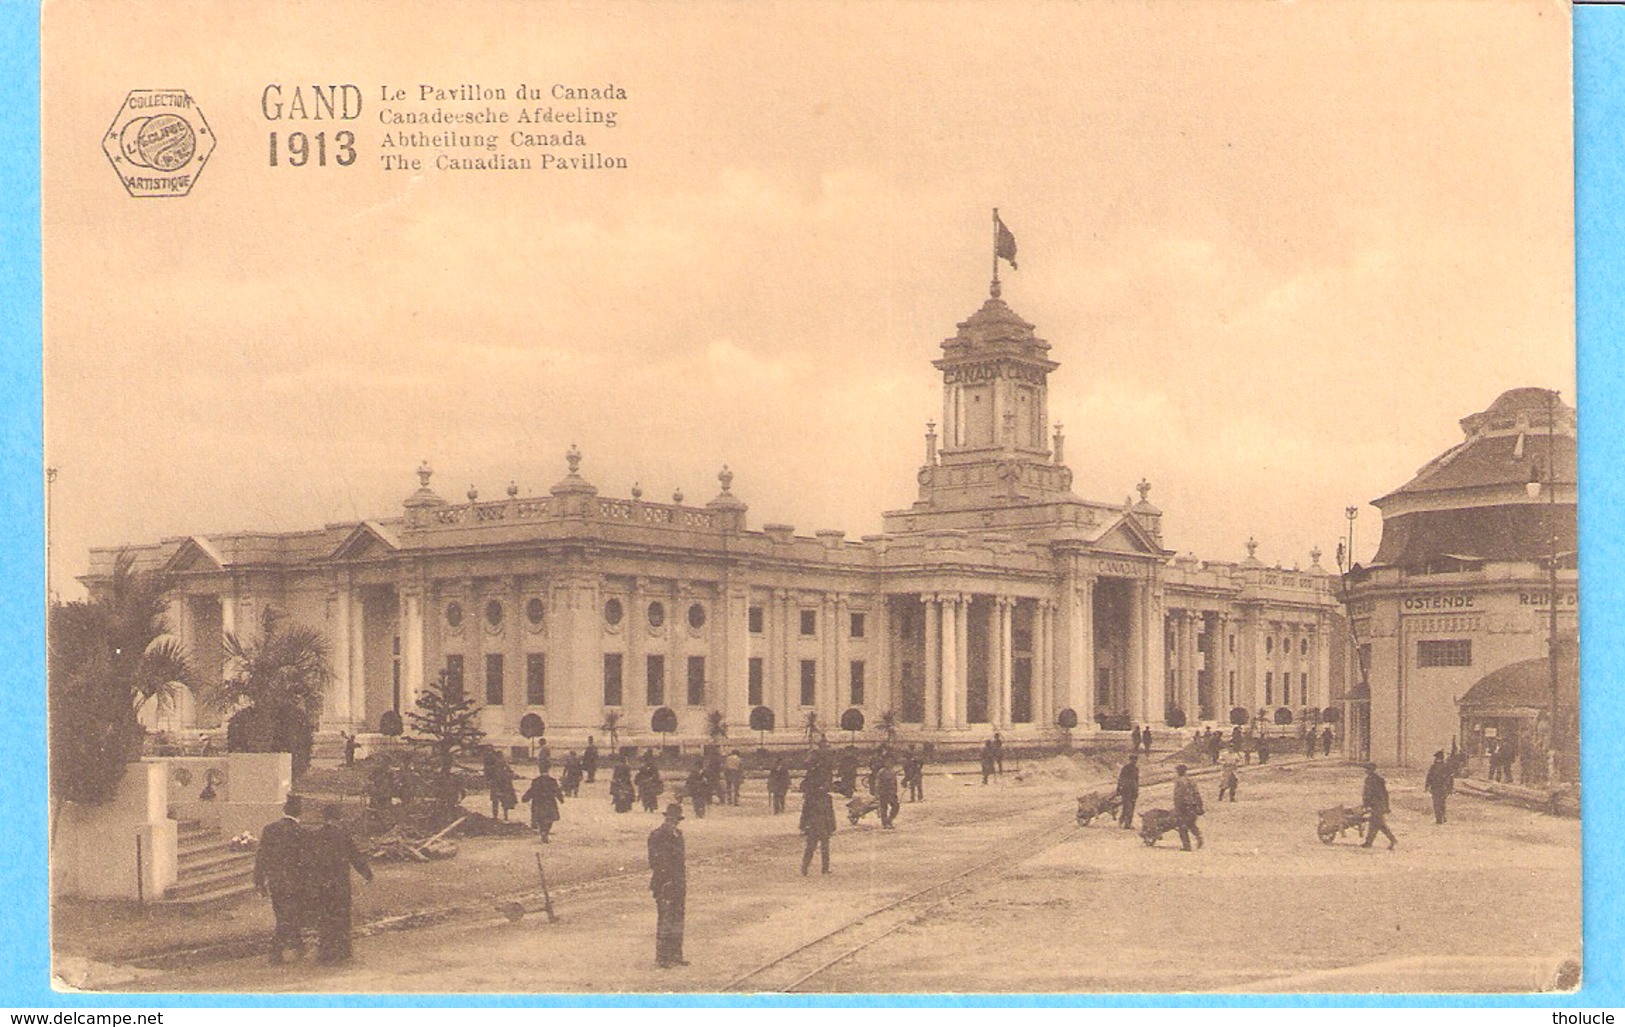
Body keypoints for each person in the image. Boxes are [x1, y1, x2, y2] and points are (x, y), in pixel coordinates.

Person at [304, 803, 373, 964]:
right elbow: (355, 856)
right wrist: (367, 873)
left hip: (322, 884)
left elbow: (310, 861)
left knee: (325, 918)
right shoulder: (343, 835)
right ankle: (342, 952)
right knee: (342, 917)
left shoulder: (316, 836)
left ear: (324, 817)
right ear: (338, 818)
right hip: (340, 884)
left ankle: (326, 953)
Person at [253, 794, 308, 964]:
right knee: (290, 915)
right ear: (300, 812)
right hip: (295, 882)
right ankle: (276, 950)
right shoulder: (301, 832)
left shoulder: (270, 829)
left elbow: (261, 856)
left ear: (284, 810)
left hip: (276, 881)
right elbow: (305, 860)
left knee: (284, 914)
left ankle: (298, 945)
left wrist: (259, 881)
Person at [648, 802, 688, 968]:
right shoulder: (657, 835)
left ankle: (676, 955)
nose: (674, 822)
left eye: (676, 819)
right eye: (671, 819)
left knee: (678, 918)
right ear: (666, 818)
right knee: (665, 918)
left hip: (678, 883)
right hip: (664, 883)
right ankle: (663, 957)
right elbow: (654, 860)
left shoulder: (678, 834)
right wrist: (666, 879)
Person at [799, 767, 836, 875]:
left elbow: (830, 812)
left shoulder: (826, 798)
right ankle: (805, 868)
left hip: (820, 825)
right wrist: (803, 826)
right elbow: (805, 813)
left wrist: (832, 825)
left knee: (822, 848)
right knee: (812, 848)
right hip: (815, 825)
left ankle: (823, 868)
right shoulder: (812, 798)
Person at [1360, 763, 1398, 850]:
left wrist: (1368, 803)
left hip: (1377, 805)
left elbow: (1378, 794)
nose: (1366, 771)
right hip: (1376, 805)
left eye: (1367, 769)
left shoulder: (1373, 780)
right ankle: (1371, 842)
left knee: (1376, 824)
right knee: (1377, 824)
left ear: (1370, 770)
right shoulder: (1373, 779)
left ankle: (1370, 842)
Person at [522, 770, 565, 842]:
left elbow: (531, 790)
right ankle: (546, 832)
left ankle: (543, 832)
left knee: (540, 819)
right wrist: (561, 799)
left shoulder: (536, 781)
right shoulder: (552, 781)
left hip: (538, 803)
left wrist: (525, 798)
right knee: (549, 819)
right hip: (549, 803)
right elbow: (557, 790)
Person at [1172, 764, 1205, 852]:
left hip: (1183, 805)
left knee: (1182, 825)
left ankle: (1186, 845)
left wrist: (1177, 807)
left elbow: (1178, 795)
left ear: (1179, 771)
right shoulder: (1191, 780)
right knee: (1191, 823)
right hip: (1193, 804)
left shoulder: (1179, 781)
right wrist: (1199, 804)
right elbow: (1196, 793)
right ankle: (1199, 838)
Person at [483, 747, 518, 821]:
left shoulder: (494, 765)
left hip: (498, 784)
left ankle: (496, 816)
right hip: (503, 785)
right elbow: (511, 773)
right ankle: (505, 817)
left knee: (495, 800)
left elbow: (488, 774)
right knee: (503, 801)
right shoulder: (503, 764)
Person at [1424, 750, 1454, 824]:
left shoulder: (1434, 767)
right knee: (1442, 802)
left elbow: (1429, 777)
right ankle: (1443, 816)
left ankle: (1439, 819)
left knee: (1436, 803)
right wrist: (1450, 788)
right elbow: (1450, 778)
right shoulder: (1447, 766)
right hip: (1444, 788)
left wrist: (1427, 786)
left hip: (1436, 787)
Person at [874, 758, 900, 829]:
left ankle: (889, 820)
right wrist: (877, 793)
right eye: (887, 762)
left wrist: (895, 791)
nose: (889, 764)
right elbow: (877, 783)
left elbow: (895, 783)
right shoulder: (881, 772)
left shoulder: (892, 771)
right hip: (884, 792)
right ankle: (885, 823)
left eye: (891, 762)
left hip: (891, 792)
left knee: (896, 806)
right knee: (884, 808)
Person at [1115, 754, 1140, 830]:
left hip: (1133, 790)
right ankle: (1125, 823)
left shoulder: (1136, 769)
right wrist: (1118, 789)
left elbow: (1137, 780)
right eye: (1132, 760)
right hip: (1126, 790)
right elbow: (1120, 779)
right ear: (1130, 760)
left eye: (1135, 760)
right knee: (1127, 806)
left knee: (1131, 807)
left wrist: (1137, 790)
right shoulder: (1125, 768)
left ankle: (1126, 822)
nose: (1134, 761)